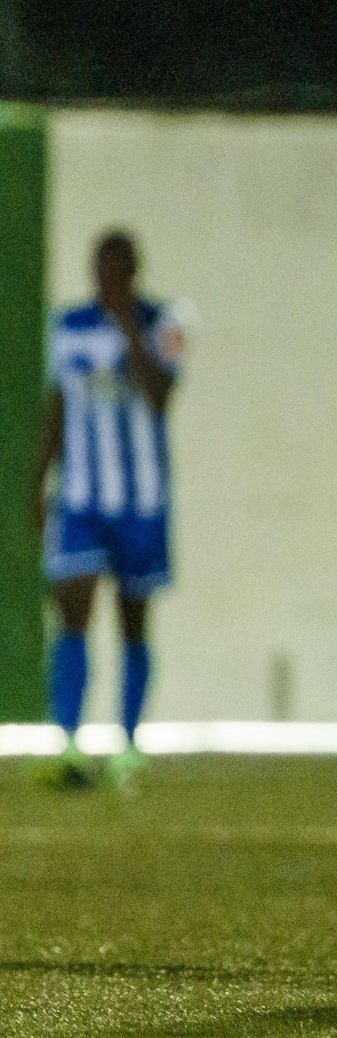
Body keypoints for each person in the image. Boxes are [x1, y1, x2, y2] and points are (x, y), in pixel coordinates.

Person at [33, 231, 189, 788]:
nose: (108, 280)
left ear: (135, 271)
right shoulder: (68, 326)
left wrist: (127, 328)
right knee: (72, 609)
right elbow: (57, 404)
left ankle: (127, 744)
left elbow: (160, 397)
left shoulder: (166, 322)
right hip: (80, 497)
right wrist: (37, 482)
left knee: (133, 620)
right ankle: (68, 744)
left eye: (118, 270)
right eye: (100, 269)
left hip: (141, 502)